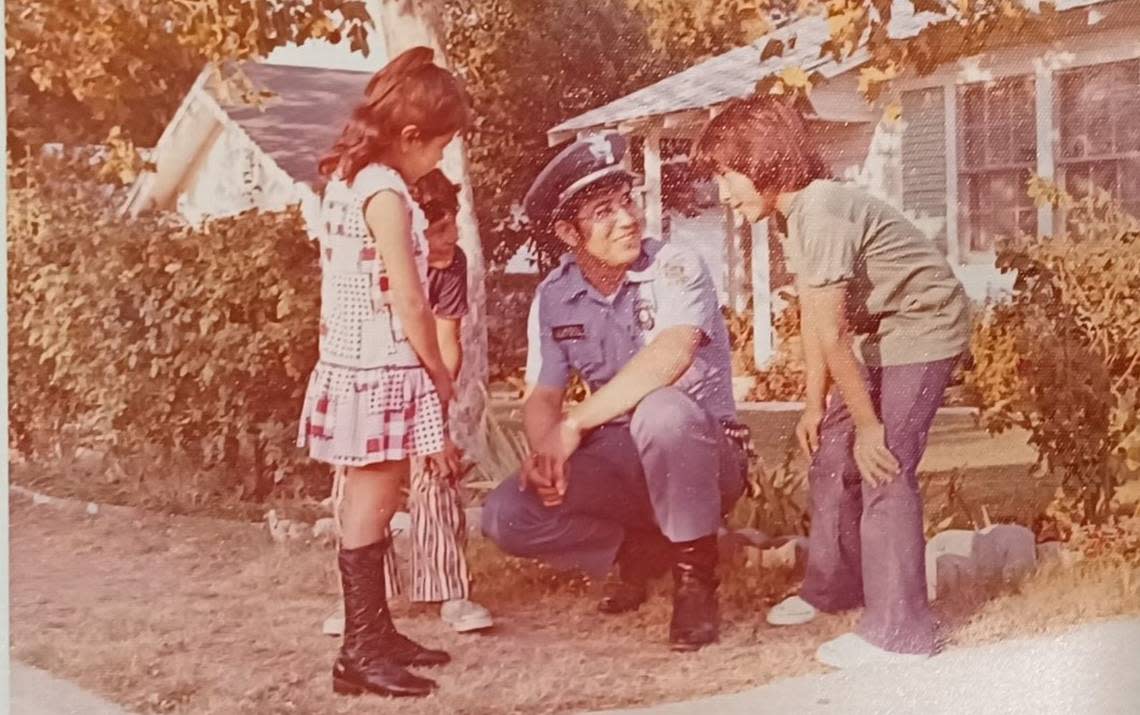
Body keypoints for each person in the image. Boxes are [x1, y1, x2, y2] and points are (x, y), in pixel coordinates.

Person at [691, 96, 971, 668]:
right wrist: (814, 404)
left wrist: (871, 426)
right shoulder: (791, 216)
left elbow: (835, 332)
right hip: (875, 330)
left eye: (726, 174)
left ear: (765, 161)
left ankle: (902, 632)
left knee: (882, 465)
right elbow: (819, 325)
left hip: (923, 324)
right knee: (829, 456)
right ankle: (833, 588)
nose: (721, 193)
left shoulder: (820, 212)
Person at [480, 133, 750, 652]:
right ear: (567, 231)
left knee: (663, 410)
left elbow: (670, 356)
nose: (627, 218)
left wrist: (573, 427)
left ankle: (695, 582)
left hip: (705, 453)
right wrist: (545, 452)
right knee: (506, 514)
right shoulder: (555, 296)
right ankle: (642, 550)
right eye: (603, 211)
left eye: (627, 200)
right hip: (622, 460)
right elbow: (542, 394)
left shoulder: (675, 267)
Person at [297, 46, 468, 698]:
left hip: (359, 359)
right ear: (409, 136)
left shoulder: (347, 177)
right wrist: (437, 371)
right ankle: (359, 651)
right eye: (440, 146)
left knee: (379, 496)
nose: (442, 160)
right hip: (381, 364)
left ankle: (377, 631)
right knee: (369, 507)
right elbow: (408, 295)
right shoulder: (387, 193)